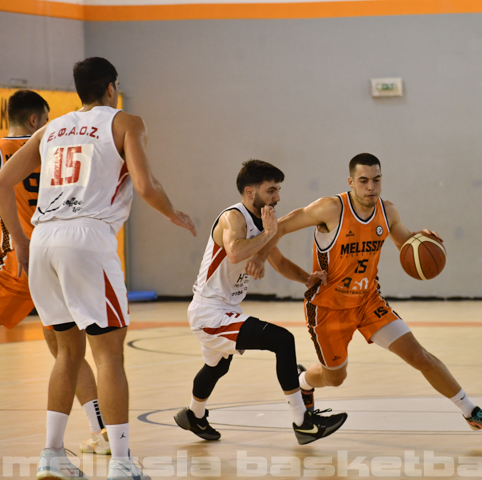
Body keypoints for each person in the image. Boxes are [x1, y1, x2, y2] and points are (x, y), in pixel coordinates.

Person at [0, 57, 196, 480]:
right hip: (86, 238)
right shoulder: (126, 122)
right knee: (108, 355)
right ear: (111, 87)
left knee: (66, 353)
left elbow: (2, 179)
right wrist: (173, 214)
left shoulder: (50, 128)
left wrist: (19, 238)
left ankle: (52, 455)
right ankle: (122, 463)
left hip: (43, 240)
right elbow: (144, 185)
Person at [248, 153, 482, 441]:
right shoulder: (330, 208)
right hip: (329, 307)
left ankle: (472, 412)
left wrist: (420, 239)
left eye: (376, 180)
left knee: (419, 356)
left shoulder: (388, 212)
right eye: (363, 181)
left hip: (368, 301)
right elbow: (278, 228)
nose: (371, 187)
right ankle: (303, 383)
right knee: (335, 378)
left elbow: (405, 244)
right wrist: (260, 257)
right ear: (351, 182)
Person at [174, 159, 347, 446]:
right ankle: (303, 422)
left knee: (217, 367)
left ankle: (194, 415)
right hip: (210, 312)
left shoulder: (263, 223)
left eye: (278, 190)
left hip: (226, 309)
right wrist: (268, 234)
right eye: (271, 190)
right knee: (282, 340)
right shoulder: (234, 217)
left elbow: (279, 262)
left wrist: (307, 278)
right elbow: (234, 252)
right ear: (250, 192)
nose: (277, 197)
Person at [0, 89, 111, 457]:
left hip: (18, 260)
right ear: (35, 120)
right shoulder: (57, 146)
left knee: (67, 352)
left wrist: (15, 239)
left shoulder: (7, 150)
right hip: (60, 255)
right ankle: (100, 431)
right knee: (69, 351)